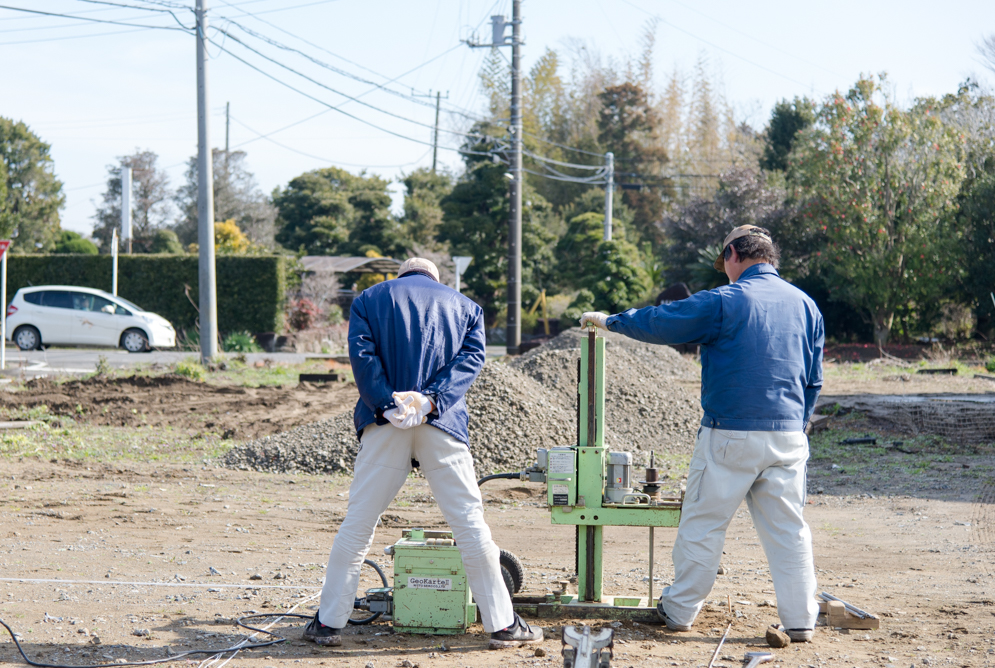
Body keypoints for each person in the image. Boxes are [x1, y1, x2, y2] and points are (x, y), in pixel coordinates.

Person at [580, 225, 824, 641]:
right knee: (789, 530)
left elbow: (663, 322)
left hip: (729, 433)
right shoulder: (806, 305)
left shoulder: (726, 300)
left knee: (703, 524)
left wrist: (612, 322)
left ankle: (679, 611)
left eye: (724, 263)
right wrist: (796, 426)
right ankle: (801, 620)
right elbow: (813, 380)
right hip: (789, 436)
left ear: (733, 254)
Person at [302, 257, 543, 650]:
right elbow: (470, 362)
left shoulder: (368, 299)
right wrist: (429, 401)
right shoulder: (466, 307)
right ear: (435, 278)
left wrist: (387, 404)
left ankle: (329, 624)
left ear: (401, 276)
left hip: (384, 424)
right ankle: (501, 626)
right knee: (469, 524)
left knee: (359, 523)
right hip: (440, 422)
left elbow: (362, 357)